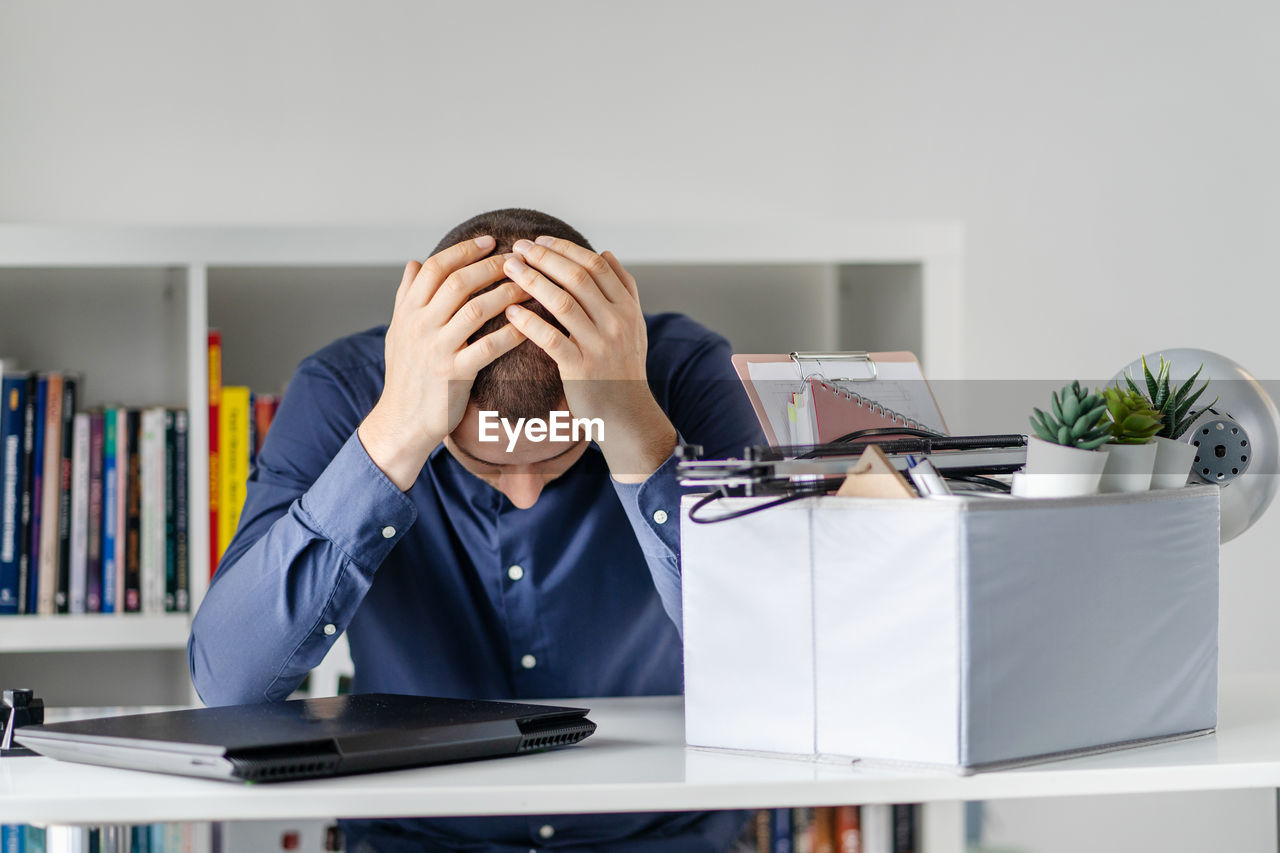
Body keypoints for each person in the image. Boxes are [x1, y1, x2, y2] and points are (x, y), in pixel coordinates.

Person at [188, 208, 766, 852]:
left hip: (660, 836)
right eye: (488, 461)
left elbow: (777, 651)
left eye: (556, 456)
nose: (525, 495)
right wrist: (396, 436)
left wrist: (635, 430)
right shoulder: (343, 391)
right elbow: (228, 680)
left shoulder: (683, 376)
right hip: (418, 839)